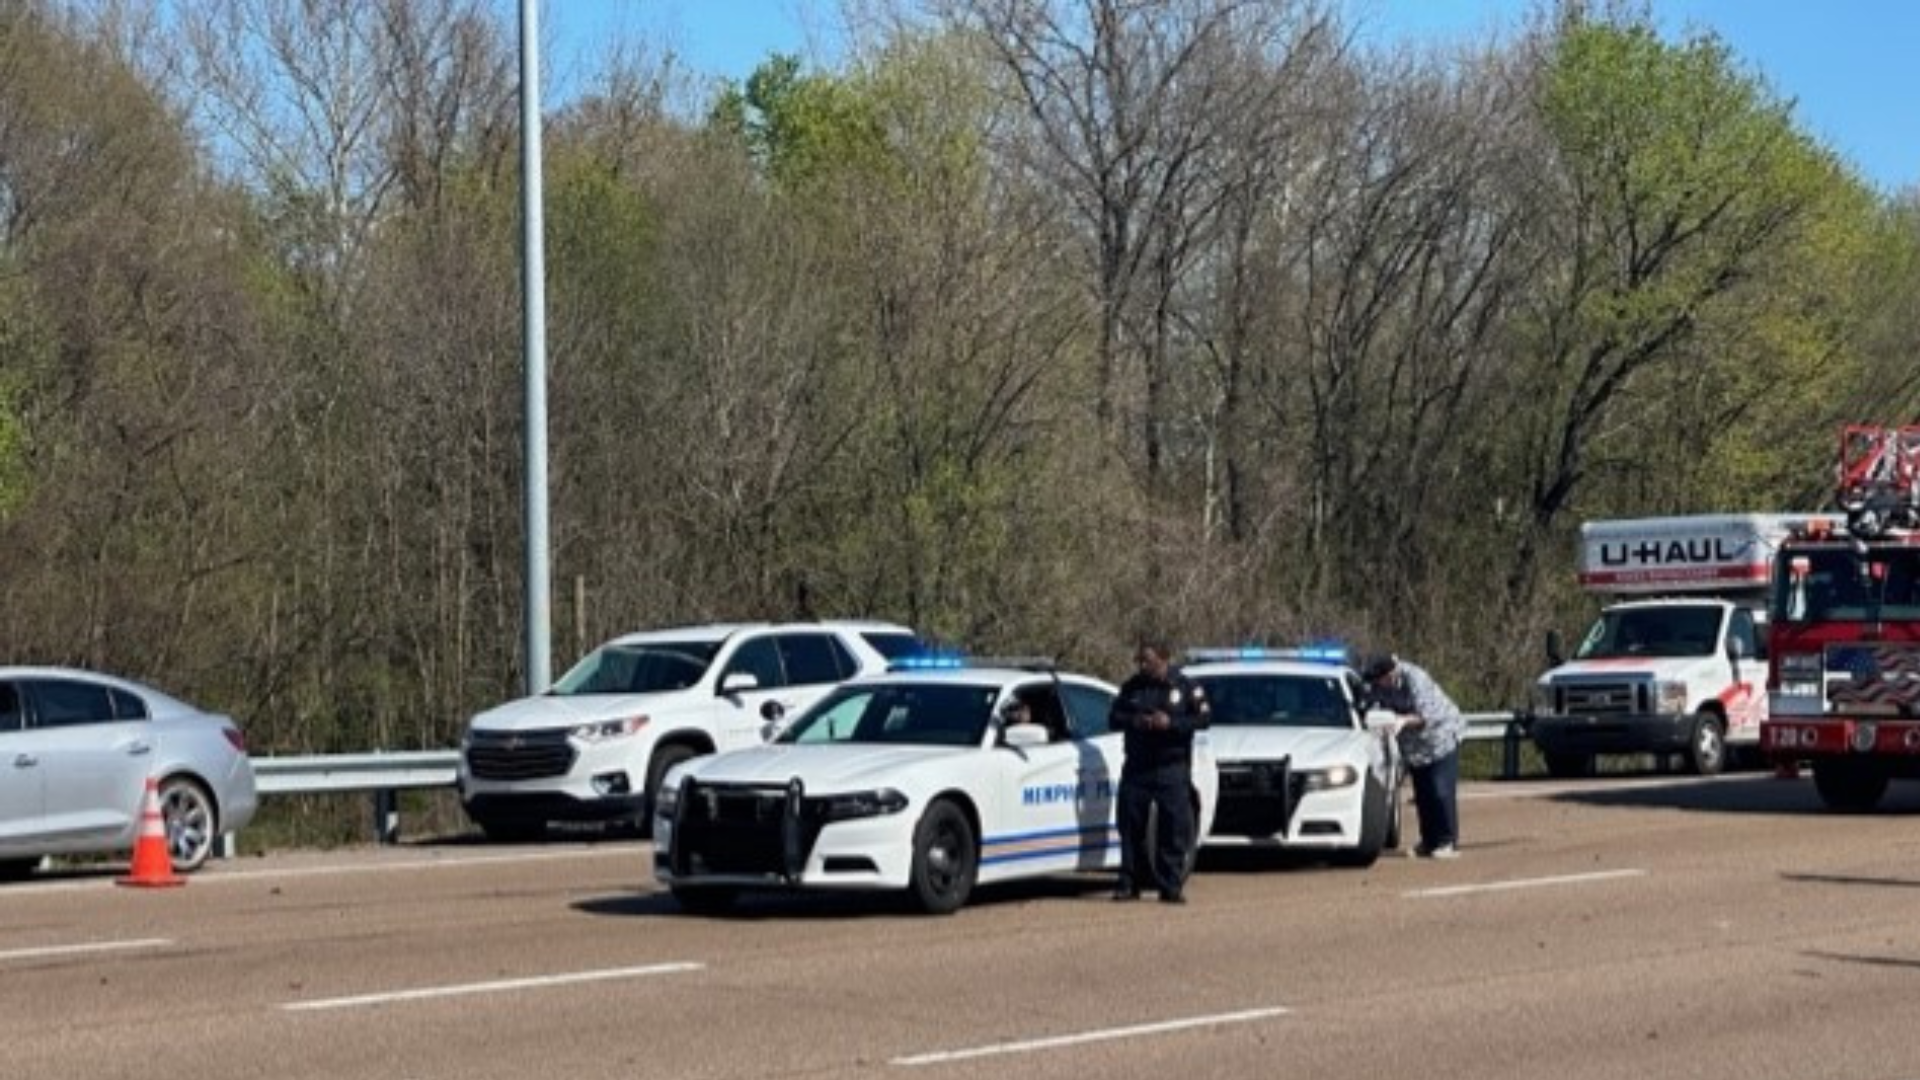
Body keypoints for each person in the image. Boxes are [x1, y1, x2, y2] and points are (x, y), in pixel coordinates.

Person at [1109, 639, 1210, 903]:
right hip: (1137, 768)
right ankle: (1129, 883)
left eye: (1148, 661)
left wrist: (1171, 723)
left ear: (1164, 660)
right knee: (1130, 827)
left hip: (1171, 768)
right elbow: (1113, 718)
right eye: (1140, 661)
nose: (1143, 666)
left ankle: (1170, 885)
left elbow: (1204, 719)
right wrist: (1136, 721)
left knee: (1173, 829)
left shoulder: (1186, 686)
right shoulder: (1132, 687)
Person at [1360, 652, 1464, 859]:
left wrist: (1402, 721)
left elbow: (1428, 716)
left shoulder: (1415, 678)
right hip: (1414, 748)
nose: (1376, 684)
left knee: (1440, 791)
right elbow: (1369, 705)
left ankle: (1447, 841)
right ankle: (1429, 841)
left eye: (1379, 679)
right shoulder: (1378, 686)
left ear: (1389, 674)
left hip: (1440, 739)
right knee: (1423, 795)